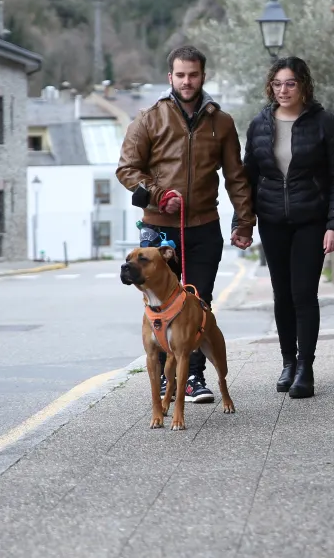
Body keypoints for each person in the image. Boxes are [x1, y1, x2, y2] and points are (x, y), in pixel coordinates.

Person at [117, 45, 254, 403]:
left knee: (198, 304)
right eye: (181, 75)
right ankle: (165, 379)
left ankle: (193, 378)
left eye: (193, 74)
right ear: (170, 78)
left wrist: (243, 221)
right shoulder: (148, 119)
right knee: (161, 305)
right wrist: (158, 195)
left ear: (202, 76)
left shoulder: (221, 122)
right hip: (159, 230)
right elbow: (127, 169)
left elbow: (236, 176)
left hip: (204, 227)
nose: (187, 81)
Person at [242, 56, 334, 399]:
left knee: (303, 294)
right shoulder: (259, 125)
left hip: (311, 220)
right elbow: (248, 178)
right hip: (272, 221)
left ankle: (306, 367)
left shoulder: (325, 123)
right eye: (277, 84)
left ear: (304, 85)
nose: (283, 90)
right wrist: (243, 222)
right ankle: (288, 362)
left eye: (290, 83)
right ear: (270, 87)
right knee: (282, 295)